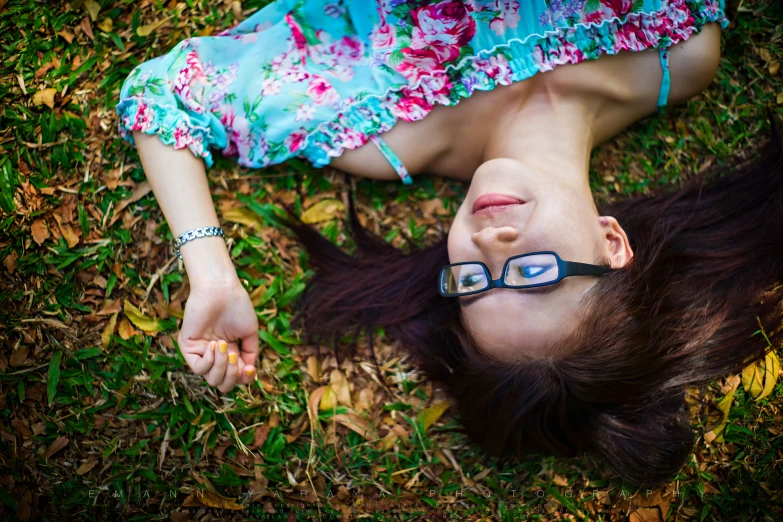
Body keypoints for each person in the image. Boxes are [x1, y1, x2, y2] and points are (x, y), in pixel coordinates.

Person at [117, 0, 783, 486]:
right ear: (612, 244)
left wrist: (210, 273)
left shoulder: (369, 128)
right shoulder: (679, 49)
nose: (492, 244)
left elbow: (164, 99)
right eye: (534, 271)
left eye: (473, 283)